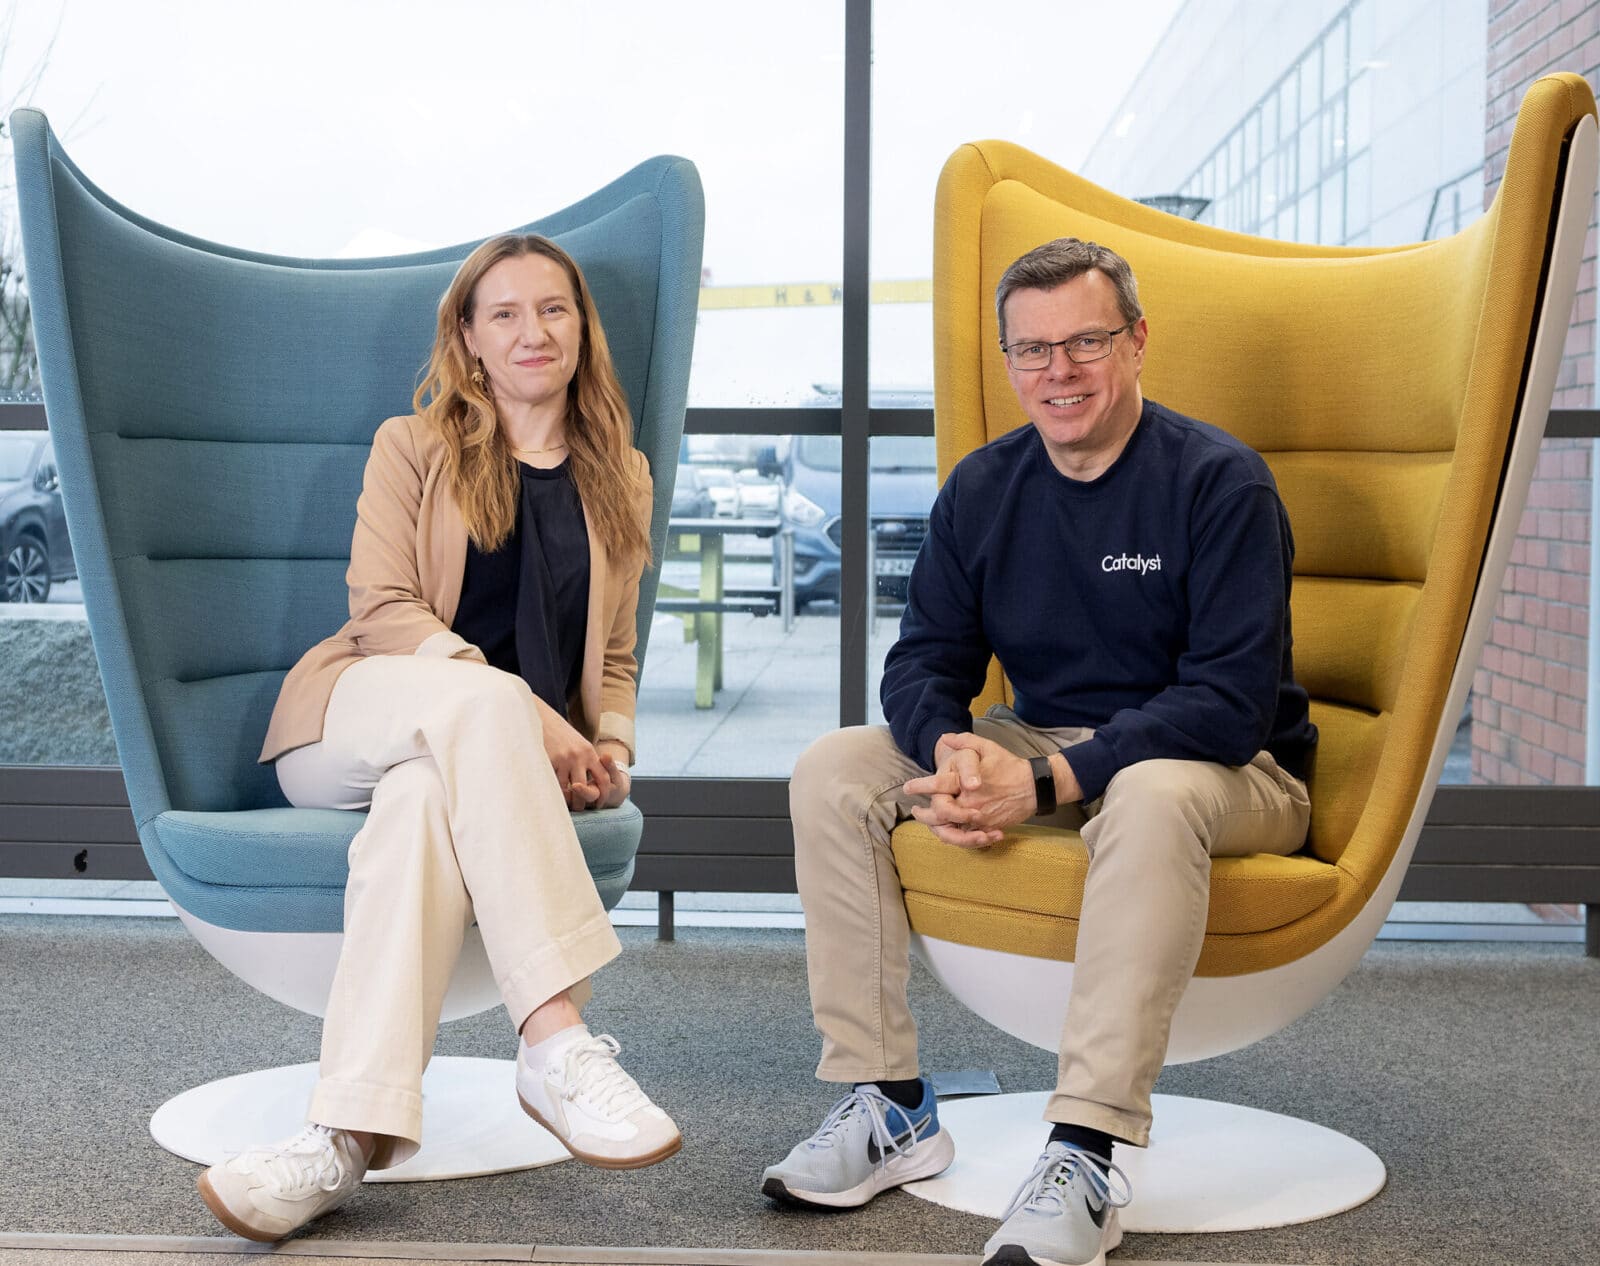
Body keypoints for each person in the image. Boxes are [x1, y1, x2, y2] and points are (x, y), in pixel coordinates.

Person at [761, 237, 1317, 1266]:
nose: (1059, 371)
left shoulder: (1219, 482)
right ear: (1010, 361)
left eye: (1085, 342)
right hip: (1044, 738)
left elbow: (1229, 704)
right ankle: (887, 1102)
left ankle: (1086, 1151)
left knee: (1149, 793)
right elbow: (923, 658)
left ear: (1136, 342)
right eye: (1032, 350)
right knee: (835, 768)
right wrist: (950, 749)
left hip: (1231, 767)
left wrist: (1046, 781)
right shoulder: (984, 487)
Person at [198, 234, 679, 1242]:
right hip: (352, 719)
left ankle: (340, 1136)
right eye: (503, 313)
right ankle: (554, 1036)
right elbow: (380, 607)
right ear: (468, 339)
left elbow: (616, 651)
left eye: (552, 308)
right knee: (486, 705)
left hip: (464, 768)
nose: (532, 330)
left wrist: (610, 750)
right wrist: (532, 715)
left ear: (581, 329)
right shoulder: (412, 445)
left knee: (422, 801)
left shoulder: (621, 474)